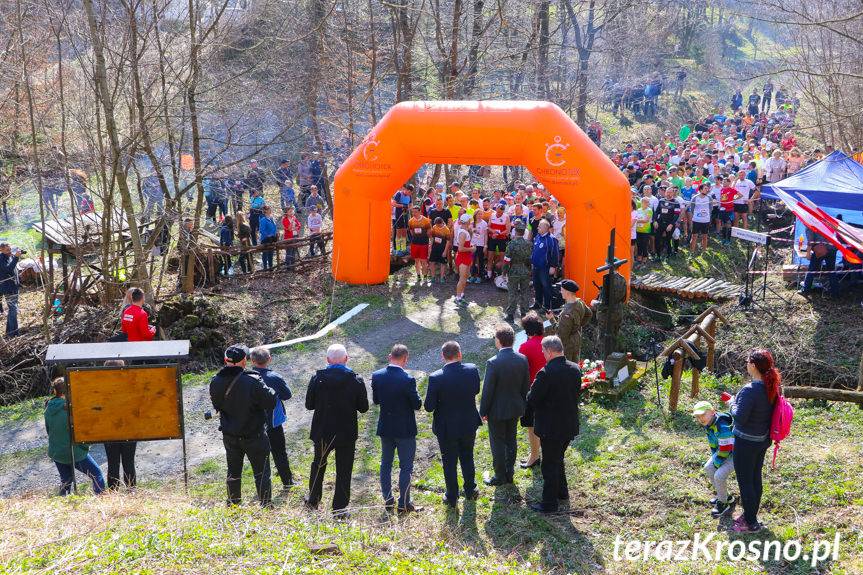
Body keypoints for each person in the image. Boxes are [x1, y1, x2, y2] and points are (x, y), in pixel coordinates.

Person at [304, 344, 369, 518]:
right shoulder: (355, 380)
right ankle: (339, 509)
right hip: (346, 432)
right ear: (346, 359)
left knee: (318, 464)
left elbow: (309, 405)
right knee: (344, 469)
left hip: (322, 430)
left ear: (327, 360)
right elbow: (363, 408)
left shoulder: (317, 378)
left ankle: (313, 500)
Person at [209, 344, 277, 506]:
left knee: (233, 471)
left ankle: (233, 504)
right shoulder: (252, 380)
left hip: (230, 435)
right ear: (244, 362)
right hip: (254, 435)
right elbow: (271, 402)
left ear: (225, 360)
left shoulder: (215, 381)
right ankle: (266, 504)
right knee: (261, 472)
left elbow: (216, 405)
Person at [526, 336, 582, 513]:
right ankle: (562, 492)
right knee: (558, 459)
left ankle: (549, 504)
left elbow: (533, 399)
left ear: (550, 351)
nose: (542, 354)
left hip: (551, 427)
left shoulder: (545, 373)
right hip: (569, 424)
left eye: (543, 351)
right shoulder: (574, 369)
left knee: (549, 464)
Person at [424, 341, 482, 507]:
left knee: (449, 462)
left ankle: (452, 495)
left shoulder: (436, 378)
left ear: (443, 356)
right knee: (467, 456)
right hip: (468, 423)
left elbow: (429, 407)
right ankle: (470, 490)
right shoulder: (472, 370)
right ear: (460, 354)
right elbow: (477, 390)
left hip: (446, 427)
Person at [729, 349, 780, 533]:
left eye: (748, 361)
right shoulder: (772, 386)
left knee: (746, 482)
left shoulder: (750, 390)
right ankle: (751, 515)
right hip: (762, 441)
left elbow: (740, 417)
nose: (746, 364)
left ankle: (750, 522)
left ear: (753, 365)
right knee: (755, 478)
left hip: (745, 443)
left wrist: (732, 403)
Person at [371, 344, 422, 513]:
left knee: (386, 463)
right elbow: (417, 404)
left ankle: (388, 498)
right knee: (405, 466)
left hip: (386, 427)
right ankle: (404, 503)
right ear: (405, 359)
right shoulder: (407, 380)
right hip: (405, 429)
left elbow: (377, 400)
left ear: (389, 356)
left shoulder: (377, 376)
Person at [480, 325, 530, 486]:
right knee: (511, 440)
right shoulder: (522, 359)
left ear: (499, 341)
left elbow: (488, 390)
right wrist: (522, 404)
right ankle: (510, 473)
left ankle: (499, 476)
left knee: (497, 443)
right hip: (515, 408)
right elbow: (525, 386)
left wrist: (483, 411)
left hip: (497, 410)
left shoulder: (493, 362)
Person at [45, 377, 106, 495]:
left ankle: (62, 503)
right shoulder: (72, 408)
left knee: (66, 480)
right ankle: (101, 498)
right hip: (75, 451)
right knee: (96, 474)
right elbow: (83, 433)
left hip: (57, 452)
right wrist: (85, 446)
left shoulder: (48, 408)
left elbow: (49, 431)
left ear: (55, 391)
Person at [249, 347, 295, 489]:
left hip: (253, 424)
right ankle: (287, 482)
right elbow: (287, 395)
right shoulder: (274, 377)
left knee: (259, 457)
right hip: (274, 422)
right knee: (279, 452)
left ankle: (263, 487)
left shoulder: (246, 377)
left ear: (252, 361)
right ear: (269, 359)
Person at [692, 400, 736, 518]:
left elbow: (726, 448)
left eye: (703, 415)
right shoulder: (709, 423)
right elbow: (715, 445)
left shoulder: (721, 425)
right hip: (722, 452)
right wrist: (715, 460)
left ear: (712, 412)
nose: (701, 419)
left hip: (734, 455)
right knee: (708, 468)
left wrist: (717, 462)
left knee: (719, 475)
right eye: (698, 417)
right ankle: (725, 497)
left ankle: (724, 504)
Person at [102, 359, 137, 490]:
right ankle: (131, 490)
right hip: (129, 430)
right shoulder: (130, 386)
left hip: (110, 432)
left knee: (113, 464)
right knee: (128, 463)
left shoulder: (101, 388)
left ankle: (113, 492)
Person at [547, 279, 592, 362]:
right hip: (576, 339)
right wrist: (577, 326)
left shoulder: (567, 313)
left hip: (567, 345)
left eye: (562, 290)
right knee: (575, 365)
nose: (561, 292)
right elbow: (589, 314)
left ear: (567, 292)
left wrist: (551, 319)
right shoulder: (579, 302)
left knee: (568, 369)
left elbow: (561, 334)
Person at [502, 219, 532, 322]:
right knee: (525, 292)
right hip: (525, 271)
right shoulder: (529, 244)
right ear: (523, 232)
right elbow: (529, 259)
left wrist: (504, 272)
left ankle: (510, 315)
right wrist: (529, 269)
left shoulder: (511, 244)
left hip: (513, 271)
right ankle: (524, 314)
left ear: (515, 231)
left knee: (512, 293)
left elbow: (506, 260)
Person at [531, 219, 559, 313]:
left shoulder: (551, 239)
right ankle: (537, 303)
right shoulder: (537, 236)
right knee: (537, 285)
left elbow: (555, 253)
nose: (537, 227)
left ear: (545, 228)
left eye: (539, 226)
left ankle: (546, 307)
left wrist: (553, 266)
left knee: (546, 287)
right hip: (536, 267)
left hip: (545, 268)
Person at [799, 230, 839, 297]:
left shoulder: (810, 224)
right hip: (832, 248)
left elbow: (810, 241)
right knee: (831, 271)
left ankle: (805, 290)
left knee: (811, 270)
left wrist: (808, 253)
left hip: (820, 248)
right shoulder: (825, 221)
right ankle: (835, 292)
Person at [453, 213, 475, 307]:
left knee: (465, 277)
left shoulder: (465, 231)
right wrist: (471, 249)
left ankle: (461, 295)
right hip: (462, 257)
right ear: (467, 222)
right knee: (462, 279)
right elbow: (460, 249)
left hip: (466, 256)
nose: (471, 222)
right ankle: (458, 298)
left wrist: (470, 247)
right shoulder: (462, 233)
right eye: (469, 221)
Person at [407, 204, 432, 285]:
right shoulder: (410, 221)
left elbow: (429, 232)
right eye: (412, 212)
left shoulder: (426, 220)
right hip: (415, 243)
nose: (414, 213)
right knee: (416, 260)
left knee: (424, 261)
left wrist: (430, 242)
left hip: (424, 243)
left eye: (415, 212)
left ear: (420, 212)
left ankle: (425, 276)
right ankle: (418, 276)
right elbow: (411, 231)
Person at [0, 242, 20, 337]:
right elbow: (8, 269)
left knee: (13, 310)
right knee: (13, 309)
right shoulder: (1, 259)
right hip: (7, 288)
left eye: (10, 249)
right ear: (1, 250)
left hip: (14, 287)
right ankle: (12, 334)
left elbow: (13, 269)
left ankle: (11, 332)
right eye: (7, 250)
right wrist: (16, 257)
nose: (9, 251)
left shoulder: (10, 256)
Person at [689, 183, 713, 253]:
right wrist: (696, 215)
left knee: (705, 236)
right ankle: (692, 251)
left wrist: (706, 216)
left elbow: (711, 209)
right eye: (705, 188)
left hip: (706, 220)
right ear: (700, 190)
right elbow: (692, 209)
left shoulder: (709, 198)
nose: (707, 190)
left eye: (707, 188)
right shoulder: (695, 198)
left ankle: (704, 251)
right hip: (696, 220)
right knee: (694, 236)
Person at [428, 217, 451, 283]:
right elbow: (432, 238)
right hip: (435, 248)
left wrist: (445, 251)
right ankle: (433, 277)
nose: (437, 226)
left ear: (442, 223)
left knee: (442, 263)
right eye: (436, 225)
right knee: (432, 262)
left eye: (438, 225)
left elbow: (448, 242)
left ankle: (442, 278)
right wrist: (430, 247)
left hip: (442, 248)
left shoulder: (446, 229)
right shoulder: (434, 227)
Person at [259, 205, 278, 270]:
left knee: (271, 253)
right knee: (265, 254)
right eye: (269, 209)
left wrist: (275, 234)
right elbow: (261, 230)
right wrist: (268, 235)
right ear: (265, 211)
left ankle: (271, 267)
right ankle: (265, 267)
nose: (271, 210)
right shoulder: (263, 220)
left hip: (272, 239)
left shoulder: (272, 218)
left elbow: (274, 228)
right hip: (266, 239)